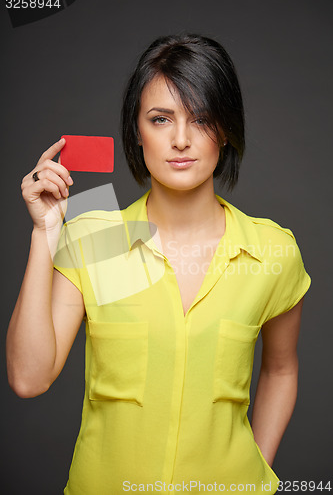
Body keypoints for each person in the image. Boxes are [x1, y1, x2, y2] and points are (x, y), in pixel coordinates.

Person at [6, 32, 311, 495]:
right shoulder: (98, 237)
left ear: (225, 129)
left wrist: (257, 477)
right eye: (161, 119)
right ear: (137, 131)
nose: (182, 140)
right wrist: (44, 232)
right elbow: (29, 378)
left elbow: (282, 370)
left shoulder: (271, 250)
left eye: (202, 119)